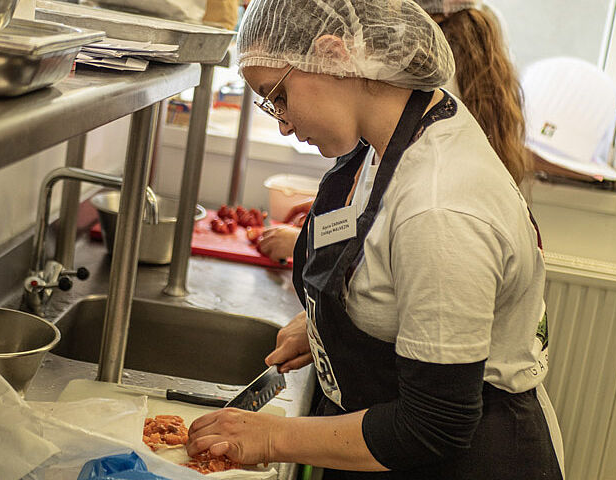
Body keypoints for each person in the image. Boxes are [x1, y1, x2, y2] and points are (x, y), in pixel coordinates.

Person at [185, 0, 564, 478]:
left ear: (333, 55)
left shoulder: (440, 208)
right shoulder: (389, 137)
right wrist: (331, 328)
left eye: (277, 96)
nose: (281, 122)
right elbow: (387, 269)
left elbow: (434, 424)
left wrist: (271, 437)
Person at [257, 0, 531, 263]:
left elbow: (392, 231)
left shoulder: (435, 197)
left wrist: (305, 242)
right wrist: (325, 221)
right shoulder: (387, 125)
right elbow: (371, 211)